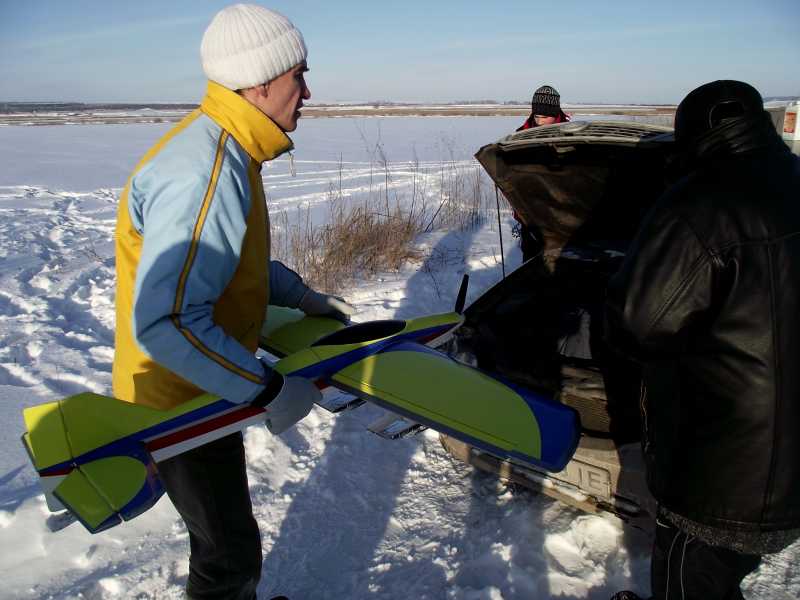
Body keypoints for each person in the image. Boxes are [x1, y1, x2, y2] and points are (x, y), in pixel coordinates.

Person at [112, 4, 353, 599]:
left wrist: (301, 295)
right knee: (228, 556)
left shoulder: (227, 149)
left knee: (227, 539)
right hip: (181, 397)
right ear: (261, 81)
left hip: (206, 379)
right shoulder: (208, 169)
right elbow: (167, 322)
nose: (307, 92)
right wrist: (266, 389)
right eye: (299, 75)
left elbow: (227, 260)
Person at [605, 80, 800, 600]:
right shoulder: (794, 177)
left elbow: (638, 323)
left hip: (725, 474)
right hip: (785, 460)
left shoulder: (699, 204)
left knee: (688, 579)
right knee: (721, 576)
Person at [513, 85, 571, 261]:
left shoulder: (571, 135)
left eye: (545, 117)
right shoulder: (520, 136)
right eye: (537, 116)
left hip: (563, 217)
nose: (539, 122)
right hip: (530, 215)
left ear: (555, 114)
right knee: (531, 263)